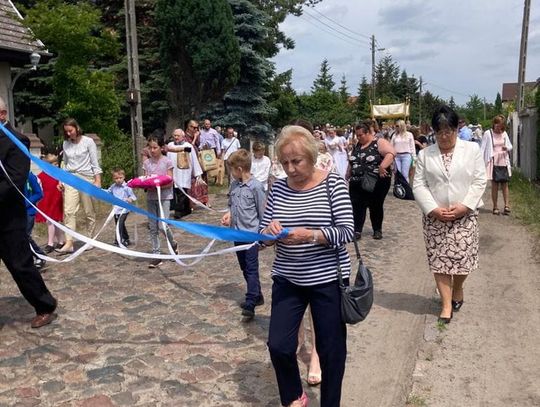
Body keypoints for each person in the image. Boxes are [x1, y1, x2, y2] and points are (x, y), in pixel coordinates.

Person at [260, 125, 354, 407]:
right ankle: (294, 396)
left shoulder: (333, 184)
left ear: (312, 157)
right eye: (284, 162)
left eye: (296, 161)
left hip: (327, 280)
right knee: (279, 345)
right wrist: (268, 234)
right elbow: (263, 234)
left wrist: (310, 235)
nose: (290, 169)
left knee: (331, 350)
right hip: (288, 278)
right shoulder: (278, 188)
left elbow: (347, 231)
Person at [413, 105, 487, 324]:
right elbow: (419, 185)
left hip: (464, 215)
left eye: (448, 131)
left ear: (456, 129)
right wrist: (433, 209)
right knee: (440, 260)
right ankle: (446, 304)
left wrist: (466, 206)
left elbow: (480, 180)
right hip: (436, 217)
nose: (444, 136)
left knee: (463, 260)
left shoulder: (471, 150)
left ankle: (458, 287)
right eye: (439, 132)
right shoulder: (425, 155)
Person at [0, 96, 58, 328]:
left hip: (8, 216)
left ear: (2, 115)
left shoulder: (16, 141)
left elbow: (14, 179)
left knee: (20, 264)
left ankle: (45, 305)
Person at [220, 149, 266, 321]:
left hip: (251, 236)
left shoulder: (256, 187)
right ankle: (257, 294)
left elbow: (263, 213)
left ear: (239, 169)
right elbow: (231, 205)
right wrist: (228, 215)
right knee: (244, 267)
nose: (230, 173)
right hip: (237, 234)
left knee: (251, 268)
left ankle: (251, 302)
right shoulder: (234, 186)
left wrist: (262, 237)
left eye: (231, 169)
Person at [56, 118, 102, 254]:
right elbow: (64, 164)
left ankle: (90, 239)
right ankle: (69, 242)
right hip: (70, 178)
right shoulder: (65, 144)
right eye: (66, 131)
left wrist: (97, 180)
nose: (68, 134)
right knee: (68, 211)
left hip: (86, 179)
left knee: (89, 211)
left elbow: (95, 162)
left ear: (76, 128)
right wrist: (61, 180)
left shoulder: (88, 142)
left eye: (70, 130)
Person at [348, 122, 396, 240]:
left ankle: (377, 229)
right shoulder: (358, 145)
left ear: (368, 133)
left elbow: (391, 153)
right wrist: (348, 172)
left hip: (375, 181)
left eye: (361, 135)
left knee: (375, 205)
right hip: (356, 181)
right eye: (357, 135)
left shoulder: (379, 142)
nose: (358, 137)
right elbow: (353, 160)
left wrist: (383, 166)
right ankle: (357, 230)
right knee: (357, 206)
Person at [143, 136, 177, 268]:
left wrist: (158, 186)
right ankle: (156, 254)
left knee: (163, 225)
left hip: (164, 197)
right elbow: (145, 180)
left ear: (161, 148)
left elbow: (170, 181)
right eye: (150, 147)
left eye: (155, 147)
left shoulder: (167, 162)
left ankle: (173, 244)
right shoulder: (147, 163)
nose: (152, 150)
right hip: (151, 198)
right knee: (153, 227)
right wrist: (144, 184)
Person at [166, 129, 204, 218]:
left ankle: (179, 212)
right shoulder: (170, 146)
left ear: (183, 137)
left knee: (182, 192)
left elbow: (194, 160)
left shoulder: (188, 146)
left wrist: (197, 173)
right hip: (173, 173)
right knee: (176, 192)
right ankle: (186, 209)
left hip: (184, 173)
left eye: (178, 136)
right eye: (174, 135)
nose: (176, 137)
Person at [480, 115, 513, 215]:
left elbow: (510, 146)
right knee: (495, 185)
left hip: (503, 161)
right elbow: (482, 148)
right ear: (494, 124)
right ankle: (495, 206)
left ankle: (506, 206)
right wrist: (480, 162)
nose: (498, 127)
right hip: (493, 162)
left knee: (505, 184)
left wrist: (506, 148)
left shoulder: (504, 133)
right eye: (497, 125)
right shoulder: (488, 133)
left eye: (500, 125)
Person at [36, 153, 65, 253]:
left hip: (56, 200)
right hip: (47, 200)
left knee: (51, 221)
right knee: (53, 222)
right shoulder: (42, 175)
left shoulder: (59, 175)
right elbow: (37, 184)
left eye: (57, 163)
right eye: (54, 164)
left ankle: (50, 243)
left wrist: (62, 187)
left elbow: (63, 185)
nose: (56, 165)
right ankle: (61, 241)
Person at [107, 168, 137, 246]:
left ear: (124, 177)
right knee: (120, 224)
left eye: (120, 178)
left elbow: (133, 196)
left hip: (124, 210)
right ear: (113, 179)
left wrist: (130, 199)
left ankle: (118, 240)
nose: (118, 180)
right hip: (116, 210)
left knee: (119, 224)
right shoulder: (113, 187)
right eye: (116, 178)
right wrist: (99, 191)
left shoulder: (127, 187)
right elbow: (108, 192)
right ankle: (126, 238)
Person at [24, 171, 47, 271]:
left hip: (29, 211)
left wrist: (25, 203)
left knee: (25, 236)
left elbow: (39, 193)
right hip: (16, 213)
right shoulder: (9, 176)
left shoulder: (29, 176)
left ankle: (40, 256)